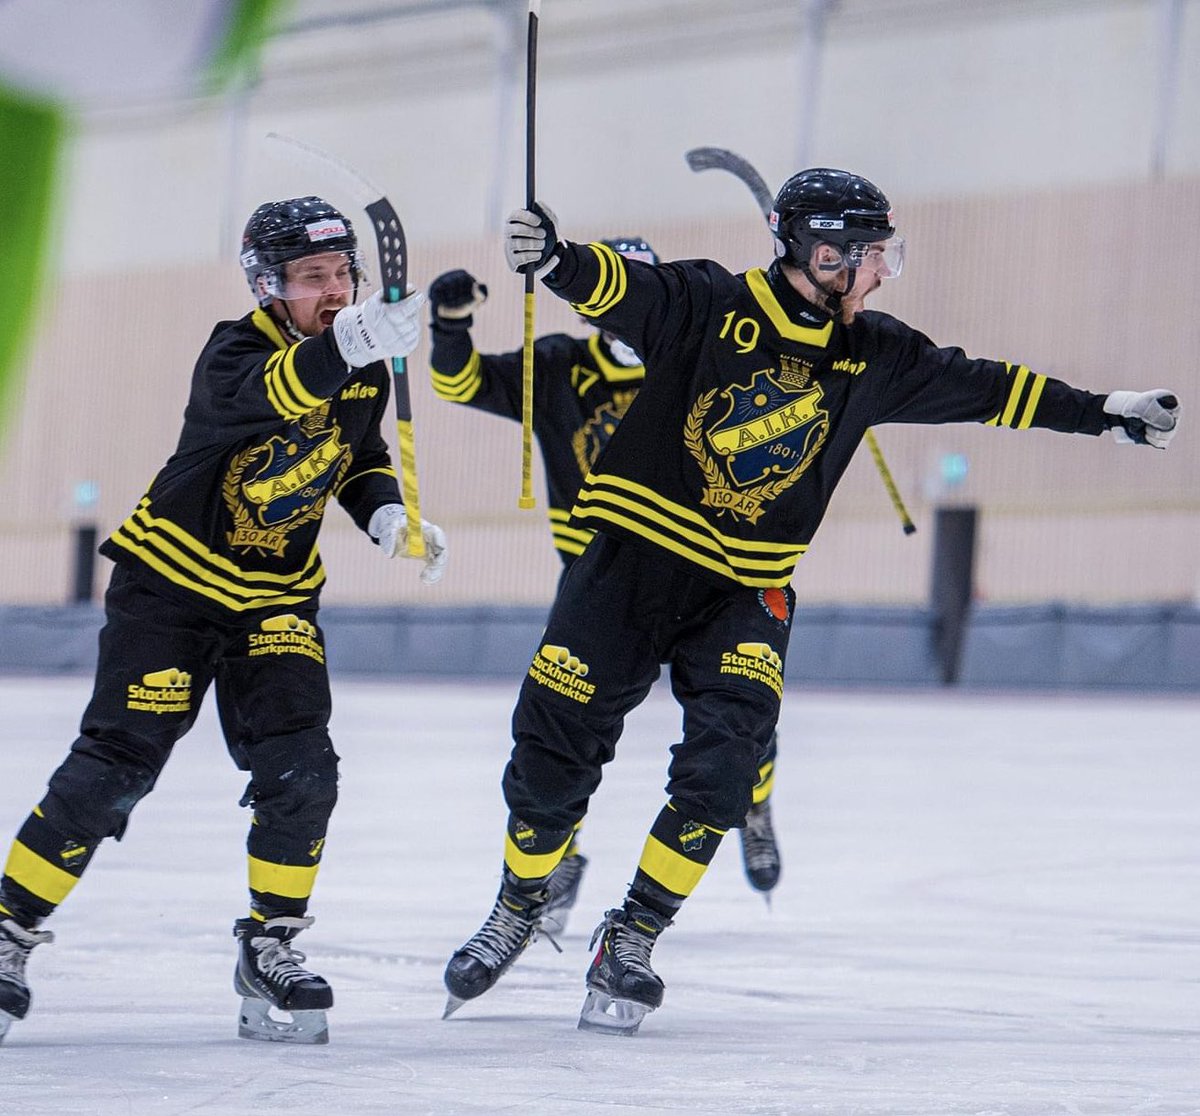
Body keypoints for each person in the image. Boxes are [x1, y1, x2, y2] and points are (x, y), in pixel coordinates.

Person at [442, 168, 1181, 1036]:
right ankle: (518, 905)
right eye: (875, 257)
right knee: (551, 757)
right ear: (823, 253)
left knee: (725, 767)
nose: (884, 273)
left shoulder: (874, 351)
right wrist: (555, 255)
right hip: (629, 564)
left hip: (746, 587)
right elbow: (620, 287)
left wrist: (1106, 411)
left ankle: (632, 935)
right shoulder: (708, 302)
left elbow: (987, 388)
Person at [0, 196, 445, 1047]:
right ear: (268, 285)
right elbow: (270, 396)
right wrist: (350, 343)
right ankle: (7, 930)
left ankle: (269, 944)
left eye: (344, 272)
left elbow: (359, 455)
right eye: (313, 276)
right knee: (113, 769)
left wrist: (388, 515)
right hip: (172, 587)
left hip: (275, 596)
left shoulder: (362, 362)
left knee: (304, 771)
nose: (334, 289)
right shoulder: (234, 349)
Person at [426, 241, 782, 937]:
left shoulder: (697, 356)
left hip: (701, 568)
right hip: (599, 580)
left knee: (736, 711)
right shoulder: (559, 366)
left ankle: (754, 804)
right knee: (560, 734)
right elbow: (459, 383)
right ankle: (559, 859)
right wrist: (450, 322)